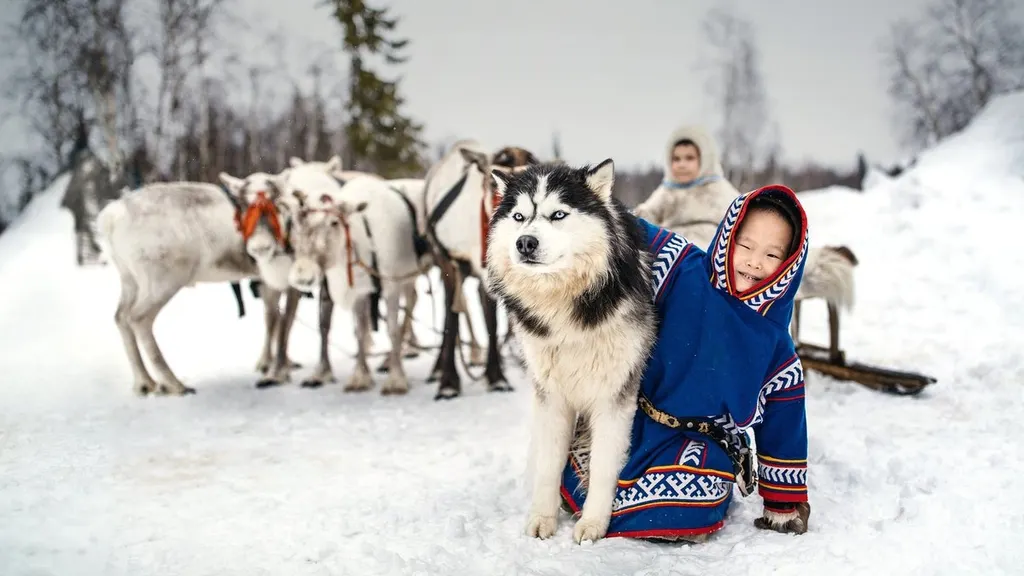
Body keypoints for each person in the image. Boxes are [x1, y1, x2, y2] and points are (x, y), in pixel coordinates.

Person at [561, 184, 812, 542]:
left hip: (699, 440)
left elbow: (784, 425)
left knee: (702, 490)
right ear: (729, 237)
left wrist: (782, 505)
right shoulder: (682, 267)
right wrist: (578, 196)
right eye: (746, 246)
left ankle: (638, 511)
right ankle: (605, 497)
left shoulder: (775, 346)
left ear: (790, 263)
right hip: (636, 418)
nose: (755, 262)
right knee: (581, 454)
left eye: (773, 255)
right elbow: (629, 228)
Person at [633, 125, 740, 251]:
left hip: (709, 249)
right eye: (676, 159)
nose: (681, 165)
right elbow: (648, 215)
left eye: (689, 158)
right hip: (671, 249)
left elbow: (738, 220)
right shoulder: (667, 191)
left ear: (704, 160)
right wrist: (636, 218)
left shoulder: (719, 190)